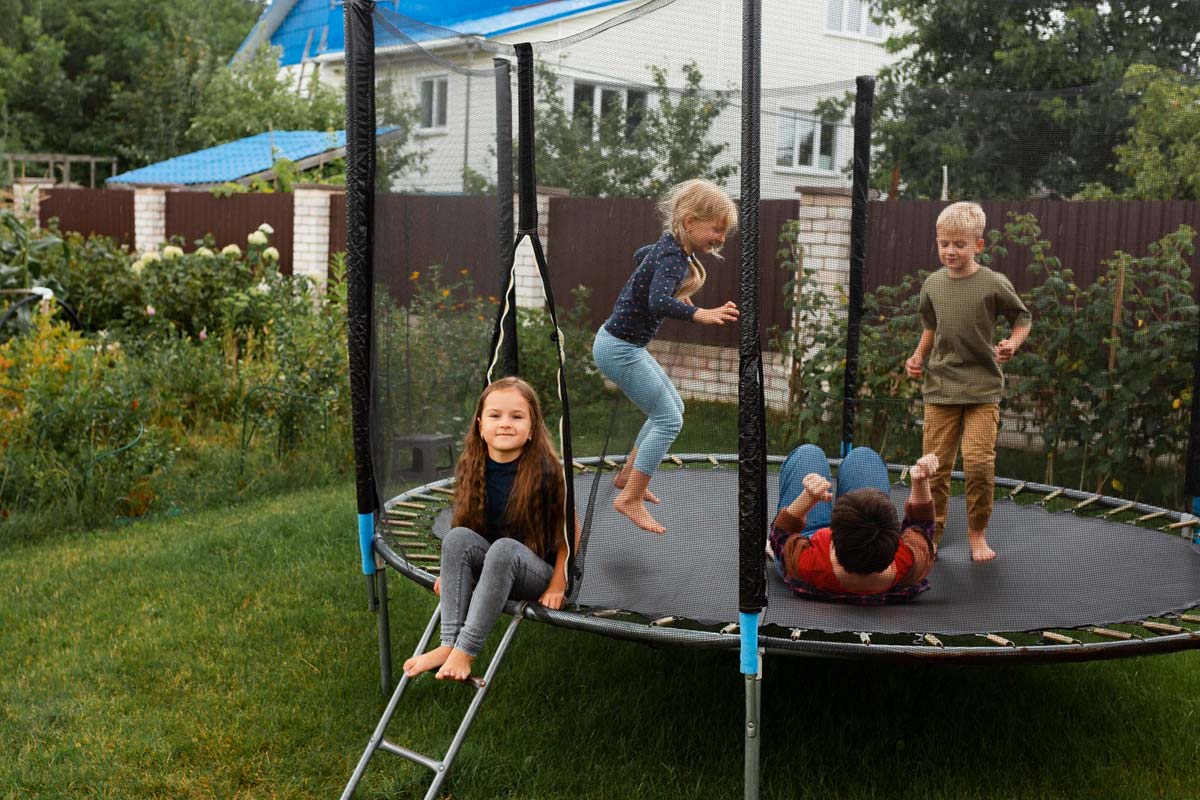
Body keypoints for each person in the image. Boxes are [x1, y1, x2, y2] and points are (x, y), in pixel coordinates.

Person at [593, 178, 740, 534]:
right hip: (620, 349)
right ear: (689, 222)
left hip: (620, 344)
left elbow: (640, 257)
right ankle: (630, 497)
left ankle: (629, 477)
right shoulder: (674, 256)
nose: (721, 238)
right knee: (668, 420)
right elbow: (656, 302)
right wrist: (697, 312)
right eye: (716, 229)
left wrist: (669, 287)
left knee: (674, 408)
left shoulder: (668, 248)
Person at [403, 377, 571, 682]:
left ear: (532, 428)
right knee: (456, 537)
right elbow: (466, 526)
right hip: (492, 565)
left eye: (517, 417)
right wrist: (453, 571)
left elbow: (570, 532)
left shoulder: (545, 471)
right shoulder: (473, 464)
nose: (505, 424)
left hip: (533, 573)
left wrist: (558, 584)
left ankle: (465, 651)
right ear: (480, 426)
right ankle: (447, 644)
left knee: (504, 548)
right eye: (495, 416)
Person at [904, 202, 1033, 562]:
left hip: (982, 389)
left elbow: (1022, 320)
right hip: (941, 388)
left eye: (959, 244)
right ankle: (931, 535)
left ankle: (977, 534)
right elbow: (931, 328)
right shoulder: (932, 285)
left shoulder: (993, 283)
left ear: (978, 245)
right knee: (935, 468)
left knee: (977, 464)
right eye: (944, 243)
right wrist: (918, 357)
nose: (950, 251)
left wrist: (1012, 344)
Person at [768, 444, 937, 603]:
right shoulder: (908, 565)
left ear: (831, 539)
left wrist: (807, 497)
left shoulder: (809, 565)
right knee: (864, 456)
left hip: (811, 545)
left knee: (808, 454)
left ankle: (770, 549)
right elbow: (921, 528)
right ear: (895, 543)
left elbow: (781, 535)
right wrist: (921, 481)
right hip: (861, 544)